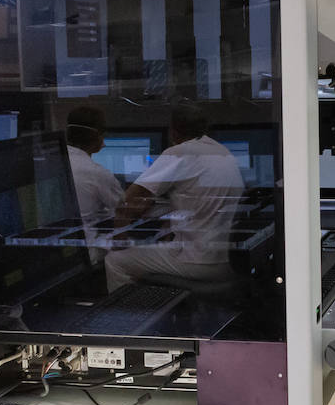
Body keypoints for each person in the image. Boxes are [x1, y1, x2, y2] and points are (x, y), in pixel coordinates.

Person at [105, 102, 245, 292]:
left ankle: (132, 310)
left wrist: (119, 240)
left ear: (173, 131)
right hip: (228, 261)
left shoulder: (179, 152)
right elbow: (198, 201)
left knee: (115, 260)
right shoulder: (223, 152)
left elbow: (127, 201)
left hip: (197, 261)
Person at [66, 102, 124, 245]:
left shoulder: (56, 161)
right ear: (98, 136)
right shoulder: (97, 173)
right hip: (86, 246)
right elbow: (124, 208)